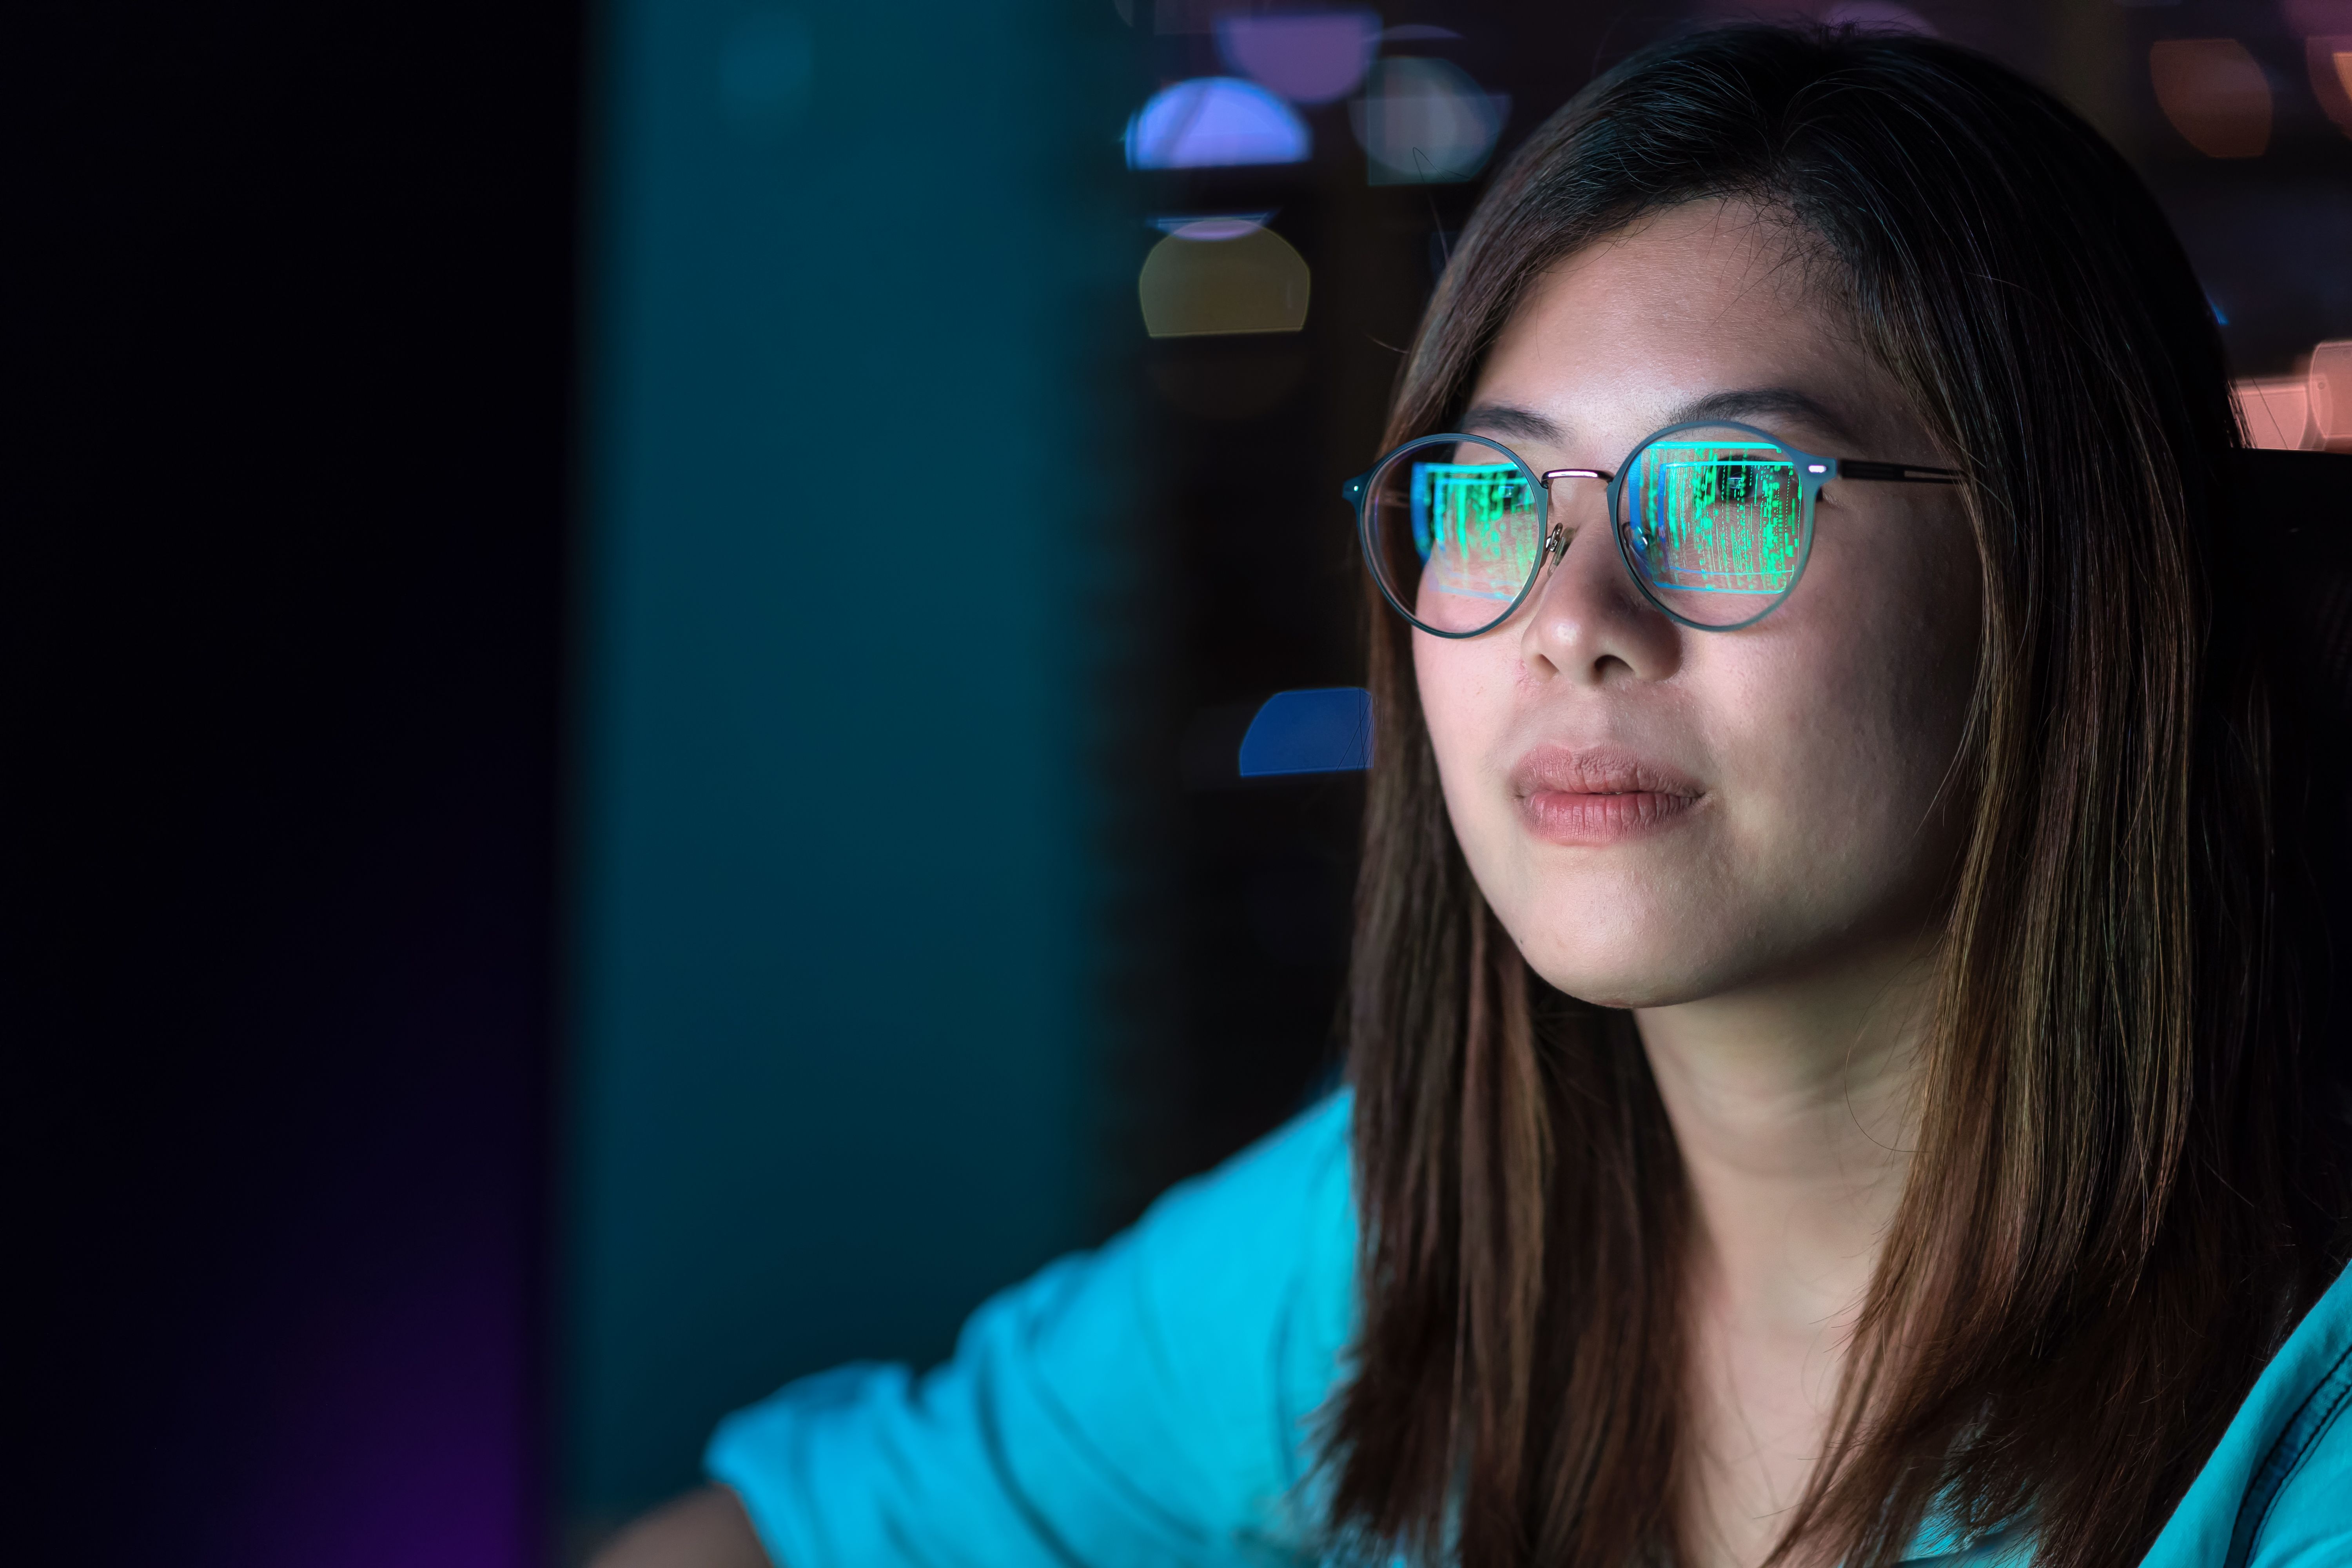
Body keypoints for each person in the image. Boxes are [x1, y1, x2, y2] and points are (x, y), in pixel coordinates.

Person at [595, 24, 2352, 1568]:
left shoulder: (2302, 1432)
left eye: (1734, 493)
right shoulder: (1417, 1237)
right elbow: (794, 1530)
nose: (1569, 623)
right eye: (1491, 506)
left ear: (2064, 578)